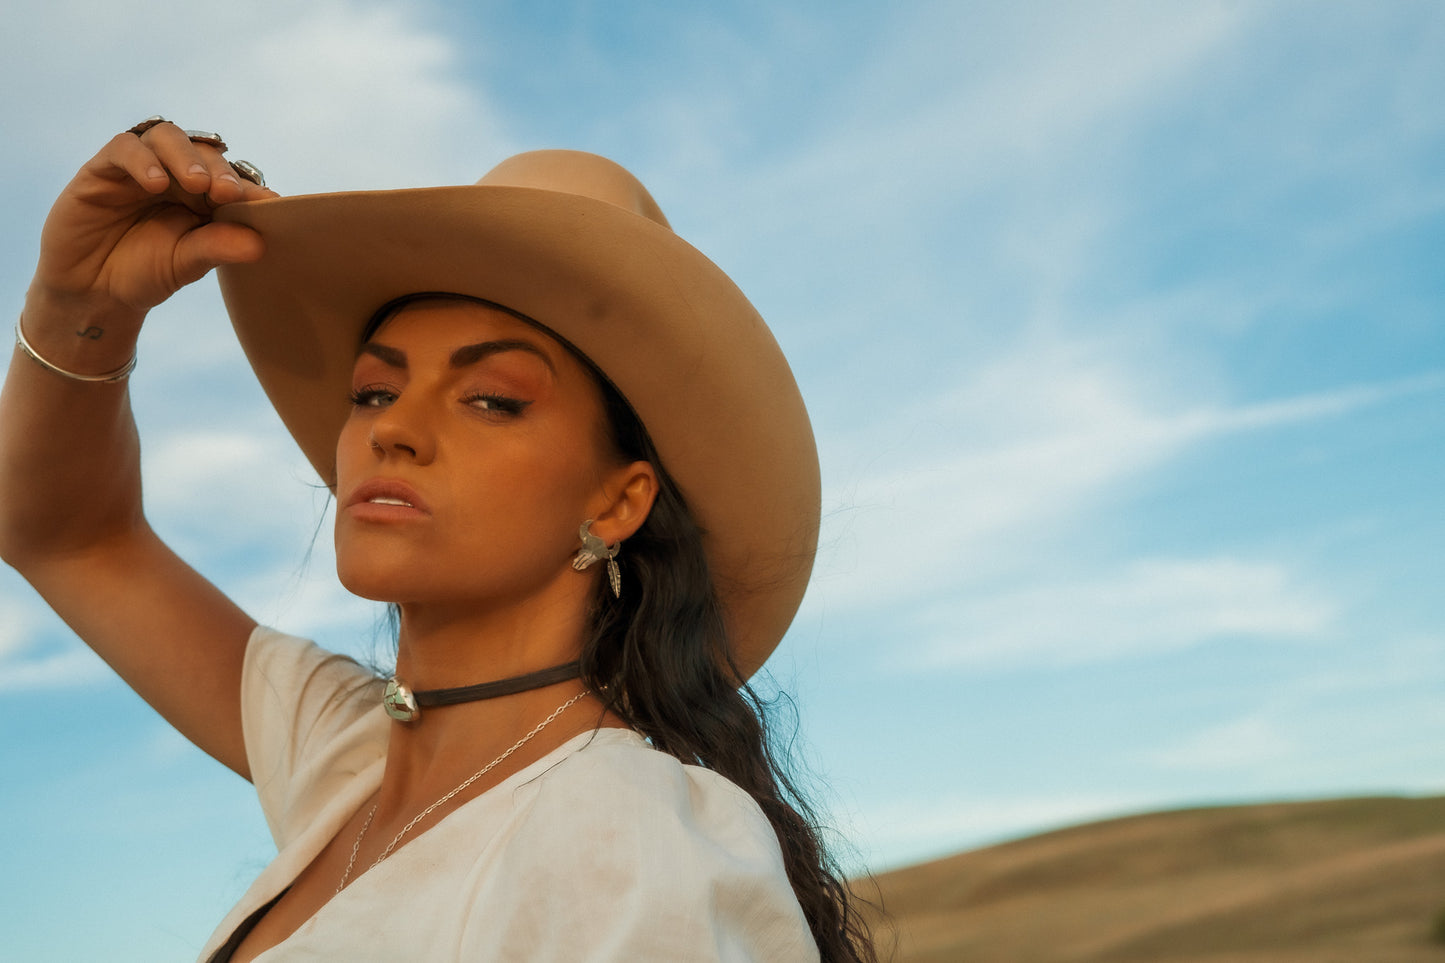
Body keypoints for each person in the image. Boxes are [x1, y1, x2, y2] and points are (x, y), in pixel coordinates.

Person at [0, 119, 879, 961]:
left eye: (492, 399)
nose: (394, 432)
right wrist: (77, 302)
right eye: (374, 392)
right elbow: (66, 533)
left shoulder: (626, 839)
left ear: (618, 502)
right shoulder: (347, 761)